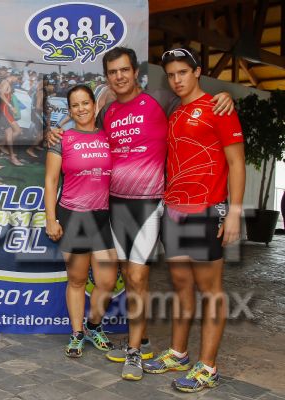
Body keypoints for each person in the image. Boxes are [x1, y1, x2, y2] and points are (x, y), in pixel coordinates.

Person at [47, 47, 234, 381]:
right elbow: (84, 129)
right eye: (112, 72)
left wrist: (224, 96)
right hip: (114, 204)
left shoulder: (161, 99)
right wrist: (56, 132)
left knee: (137, 277)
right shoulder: (107, 111)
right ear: (107, 77)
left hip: (149, 203)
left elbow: (193, 97)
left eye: (124, 70)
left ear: (135, 72)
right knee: (126, 277)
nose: (119, 76)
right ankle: (142, 342)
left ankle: (134, 351)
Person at [143, 47, 245, 393]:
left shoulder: (219, 108)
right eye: (171, 75)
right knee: (181, 286)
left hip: (206, 210)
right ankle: (178, 353)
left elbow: (237, 163)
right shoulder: (175, 112)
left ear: (197, 71)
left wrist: (234, 212)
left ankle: (209, 367)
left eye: (183, 73)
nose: (177, 80)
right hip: (174, 210)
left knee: (210, 292)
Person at [45, 84, 118, 359]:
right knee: (76, 280)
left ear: (94, 105)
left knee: (107, 281)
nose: (81, 109)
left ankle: (93, 326)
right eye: (75, 105)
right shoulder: (61, 139)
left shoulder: (108, 136)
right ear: (70, 110)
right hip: (73, 215)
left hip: (103, 216)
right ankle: (76, 333)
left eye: (85, 103)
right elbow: (51, 181)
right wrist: (50, 219)